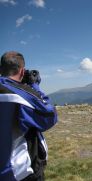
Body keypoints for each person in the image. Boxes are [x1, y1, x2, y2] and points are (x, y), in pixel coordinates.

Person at [0, 51, 58, 181]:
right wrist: (35, 85)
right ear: (22, 71)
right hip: (18, 172)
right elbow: (50, 115)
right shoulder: (18, 94)